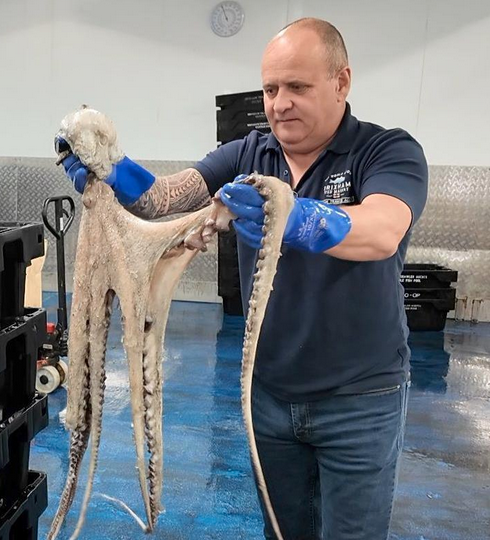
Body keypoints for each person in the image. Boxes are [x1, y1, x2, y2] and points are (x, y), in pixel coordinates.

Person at [59, 17, 428, 540]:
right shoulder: (247, 153)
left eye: (297, 87)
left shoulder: (387, 151)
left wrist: (294, 217)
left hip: (360, 400)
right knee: (284, 531)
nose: (280, 104)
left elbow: (383, 229)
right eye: (271, 89)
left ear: (341, 81)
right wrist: (111, 168)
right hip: (269, 398)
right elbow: (162, 199)